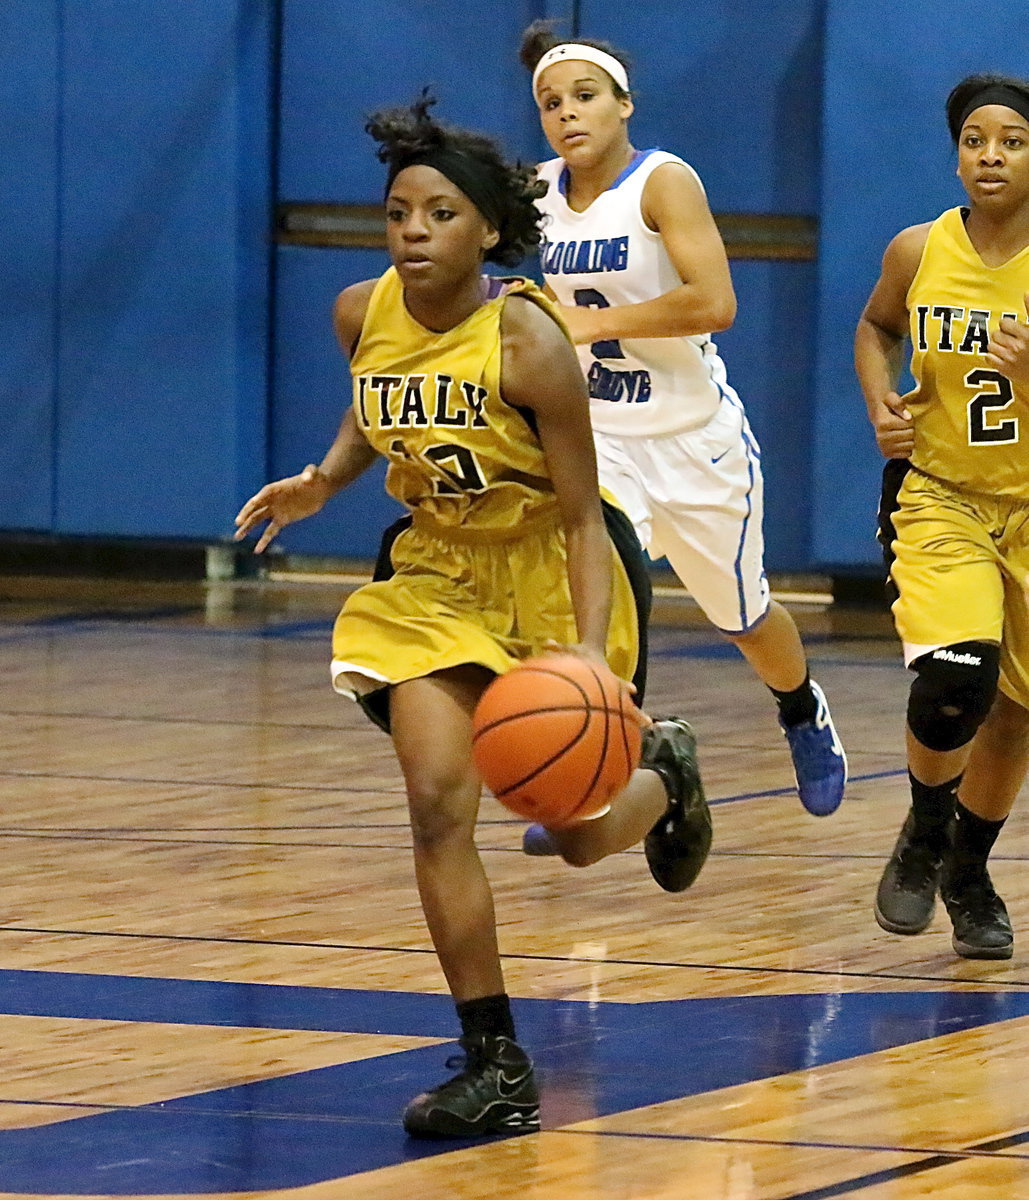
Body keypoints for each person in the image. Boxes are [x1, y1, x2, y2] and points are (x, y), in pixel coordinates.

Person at [234, 96, 713, 1138]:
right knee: (439, 803)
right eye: (400, 211)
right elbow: (378, 403)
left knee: (575, 840)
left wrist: (588, 654)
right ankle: (497, 1059)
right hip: (437, 580)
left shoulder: (529, 338)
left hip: (551, 565)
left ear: (487, 229)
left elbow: (587, 515)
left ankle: (663, 768)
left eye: (439, 213)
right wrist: (323, 480)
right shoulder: (361, 310)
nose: (413, 230)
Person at [517, 22, 847, 832]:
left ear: (624, 104)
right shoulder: (535, 192)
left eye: (585, 96)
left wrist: (589, 326)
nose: (567, 114)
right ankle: (597, 767)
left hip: (693, 440)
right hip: (602, 441)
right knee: (602, 598)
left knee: (743, 616)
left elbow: (715, 303)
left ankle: (801, 709)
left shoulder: (663, 181)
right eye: (551, 103)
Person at [855, 73, 1029, 960]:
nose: (989, 155)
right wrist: (880, 397)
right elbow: (876, 326)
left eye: (1010, 140)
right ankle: (924, 831)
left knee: (1013, 716)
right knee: (957, 680)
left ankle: (969, 869)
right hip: (940, 494)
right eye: (974, 139)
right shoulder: (918, 248)